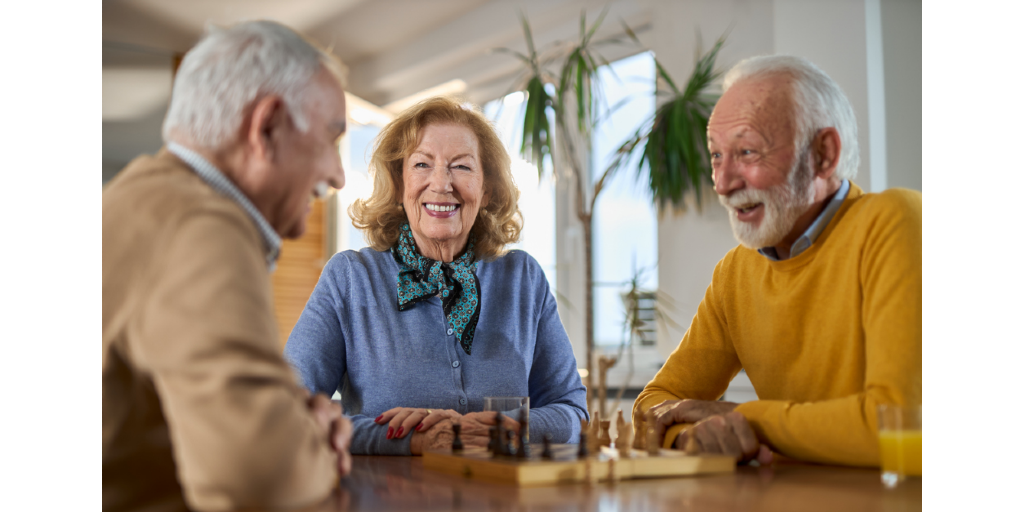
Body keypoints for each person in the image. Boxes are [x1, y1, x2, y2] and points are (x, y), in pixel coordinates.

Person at [102, 21, 353, 512]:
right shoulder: (200, 225)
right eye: (332, 138)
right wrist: (313, 444)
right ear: (268, 127)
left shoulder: (141, 195)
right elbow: (263, 479)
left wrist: (287, 423)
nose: (338, 176)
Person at [632, 55, 922, 467]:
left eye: (747, 151)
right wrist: (691, 433)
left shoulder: (896, 220)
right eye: (716, 155)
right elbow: (654, 403)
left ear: (823, 154)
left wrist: (745, 419)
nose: (723, 183)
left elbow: (900, 426)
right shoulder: (735, 272)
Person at [284, 96, 588, 455]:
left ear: (486, 190)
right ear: (399, 184)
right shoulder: (350, 278)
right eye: (422, 164)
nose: (441, 183)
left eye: (461, 167)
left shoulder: (523, 278)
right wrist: (408, 440)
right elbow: (288, 412)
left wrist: (512, 428)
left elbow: (573, 411)